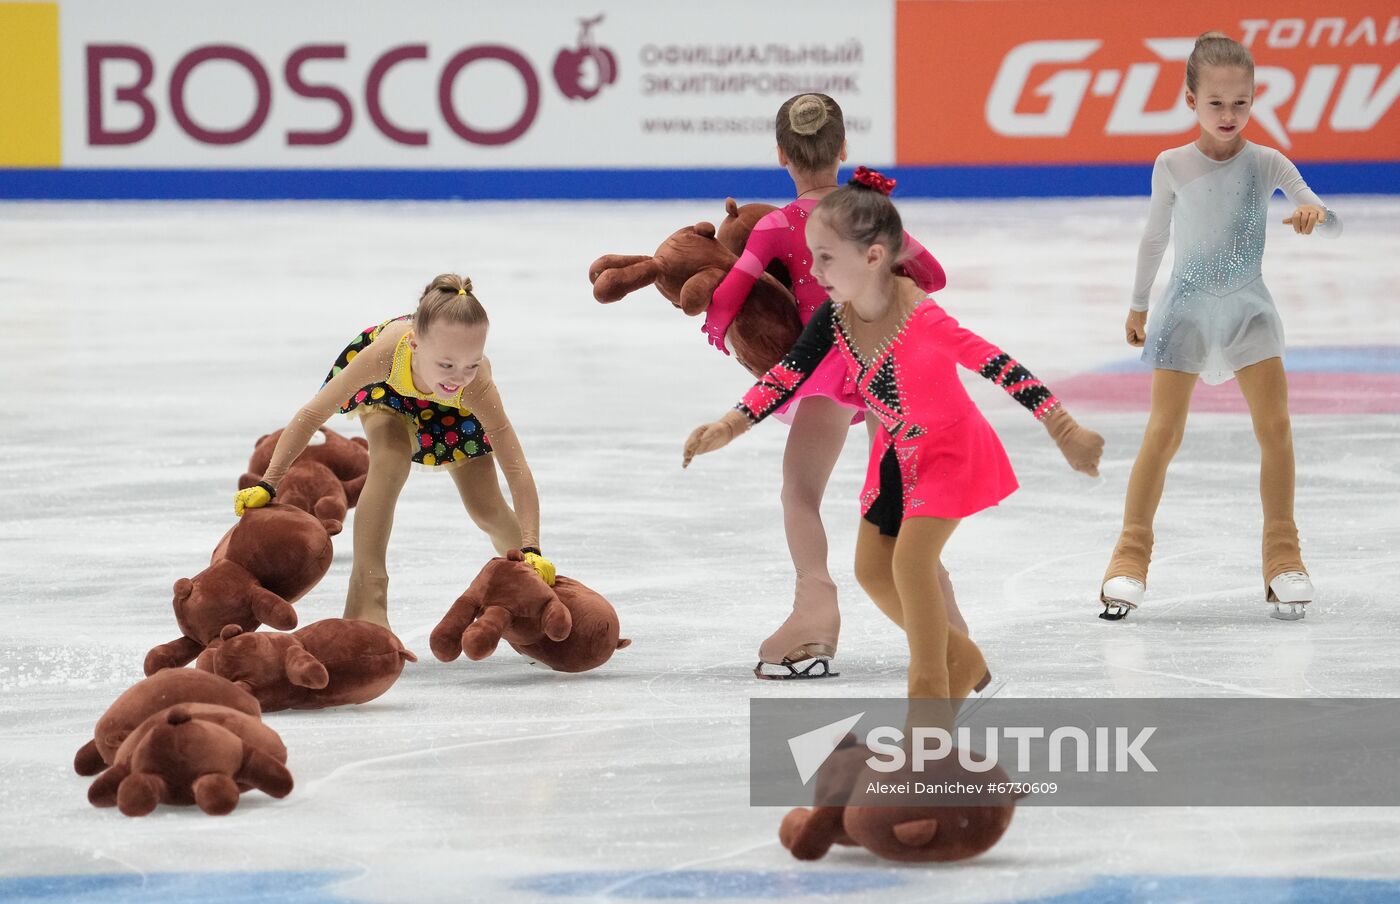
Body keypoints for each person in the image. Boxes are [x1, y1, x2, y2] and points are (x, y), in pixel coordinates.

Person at [684, 173, 1103, 700]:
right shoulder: (836, 318)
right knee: (872, 571)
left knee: (909, 564)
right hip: (894, 460)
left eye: (825, 258)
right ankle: (961, 658)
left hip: (947, 452)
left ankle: (931, 698)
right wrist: (729, 425)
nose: (813, 272)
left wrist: (1065, 429)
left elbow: (996, 364)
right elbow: (787, 375)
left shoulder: (920, 316)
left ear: (873, 256)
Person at [702, 93, 955, 679]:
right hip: (887, 361)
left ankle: (814, 618)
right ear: (842, 149)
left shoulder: (775, 225)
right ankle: (945, 626)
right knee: (900, 497)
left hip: (823, 366)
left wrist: (720, 332)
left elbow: (729, 295)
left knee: (800, 492)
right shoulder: (870, 215)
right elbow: (934, 276)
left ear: (781, 155)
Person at [1099, 32, 1342, 622]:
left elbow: (1328, 216)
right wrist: (1137, 306)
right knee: (1163, 433)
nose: (1228, 114)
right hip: (1184, 310)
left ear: (1254, 99)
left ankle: (1283, 558)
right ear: (1191, 100)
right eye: (1216, 103)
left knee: (1275, 427)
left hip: (1247, 310)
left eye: (1240, 102)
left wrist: (1314, 213)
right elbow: (1154, 238)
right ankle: (1128, 558)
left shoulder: (1267, 162)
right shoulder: (1172, 164)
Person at [234, 273, 554, 630]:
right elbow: (312, 413)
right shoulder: (386, 355)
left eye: (472, 364)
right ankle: (367, 602)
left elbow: (517, 469)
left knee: (486, 507)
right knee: (389, 460)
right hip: (390, 396)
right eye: (447, 364)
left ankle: (539, 588)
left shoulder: (475, 386)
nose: (458, 376)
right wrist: (269, 483)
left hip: (455, 413)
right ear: (415, 343)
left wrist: (532, 547)